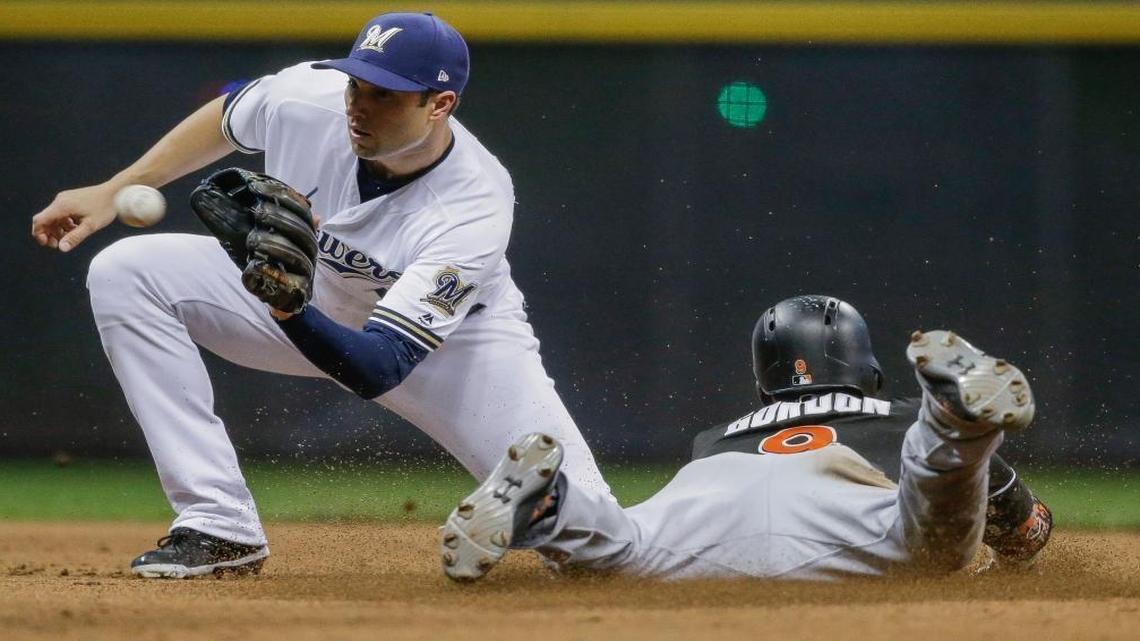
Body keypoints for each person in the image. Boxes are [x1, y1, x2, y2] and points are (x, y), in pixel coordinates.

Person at [30, 12, 610, 578]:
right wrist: (116, 188)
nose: (358, 103)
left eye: (385, 94)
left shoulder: (473, 202)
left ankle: (534, 513)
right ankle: (218, 523)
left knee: (596, 543)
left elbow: (380, 366)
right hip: (308, 295)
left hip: (452, 346)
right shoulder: (309, 99)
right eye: (357, 83)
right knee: (127, 272)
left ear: (440, 104)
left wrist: (287, 305)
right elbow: (229, 116)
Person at [440, 295, 1053, 581]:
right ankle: (952, 423)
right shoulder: (888, 414)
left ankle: (552, 509)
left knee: (623, 553)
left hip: (707, 501)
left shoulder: (715, 436)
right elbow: (1017, 531)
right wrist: (1027, 532)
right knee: (934, 546)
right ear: (866, 366)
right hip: (846, 514)